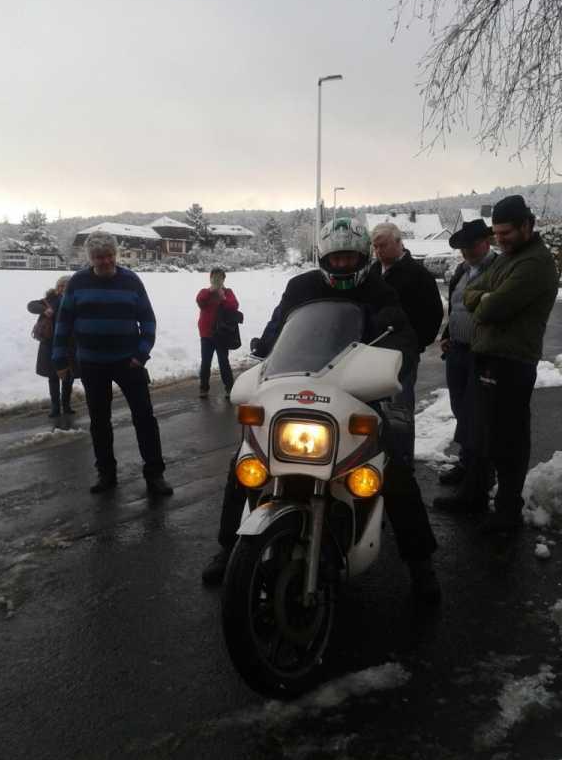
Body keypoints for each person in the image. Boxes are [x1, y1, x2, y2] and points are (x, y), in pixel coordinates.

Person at [201, 217, 440, 603]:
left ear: (362, 257)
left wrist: (396, 360)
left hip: (357, 390)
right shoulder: (302, 287)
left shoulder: (378, 290)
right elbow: (281, 326)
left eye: (349, 258)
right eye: (335, 258)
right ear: (323, 258)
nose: (342, 265)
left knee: (393, 467)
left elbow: (402, 336)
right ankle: (230, 547)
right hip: (300, 386)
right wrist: (265, 345)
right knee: (246, 461)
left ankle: (420, 563)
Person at [52, 231, 173, 497]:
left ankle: (155, 474)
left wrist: (141, 354)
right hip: (92, 364)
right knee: (99, 421)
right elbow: (63, 323)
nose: (105, 261)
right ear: (90, 258)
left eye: (109, 255)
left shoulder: (131, 281)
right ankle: (106, 473)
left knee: (144, 418)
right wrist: (59, 359)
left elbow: (148, 320)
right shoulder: (77, 282)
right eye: (99, 257)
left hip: (129, 363)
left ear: (115, 254)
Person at [463, 195, 558, 533]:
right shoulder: (508, 258)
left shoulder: (535, 263)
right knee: (481, 431)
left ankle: (507, 511)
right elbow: (472, 291)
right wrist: (485, 296)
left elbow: (492, 308)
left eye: (506, 233)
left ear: (527, 225)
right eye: (497, 233)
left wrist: (486, 299)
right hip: (489, 356)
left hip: (512, 362)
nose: (499, 240)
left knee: (508, 439)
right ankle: (474, 495)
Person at [433, 220, 498, 512]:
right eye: (462, 247)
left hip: (482, 353)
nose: (466, 252)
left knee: (477, 417)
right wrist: (448, 335)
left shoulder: (498, 268)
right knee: (461, 410)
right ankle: (465, 463)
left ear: (486, 242)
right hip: (458, 351)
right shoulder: (461, 270)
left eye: (471, 246)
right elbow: (455, 307)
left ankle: (479, 479)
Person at [370, 223, 444, 462]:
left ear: (398, 242)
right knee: (371, 412)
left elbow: (433, 315)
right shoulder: (372, 272)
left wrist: (415, 344)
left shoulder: (418, 275)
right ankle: (375, 461)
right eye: (375, 246)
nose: (378, 251)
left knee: (400, 413)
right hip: (370, 356)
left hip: (402, 357)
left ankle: (402, 466)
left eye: (383, 245)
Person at [27, 276, 75, 418]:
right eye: (61, 286)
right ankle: (55, 407)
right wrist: (44, 309)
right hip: (49, 344)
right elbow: (31, 306)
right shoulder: (49, 300)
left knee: (68, 376)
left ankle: (66, 405)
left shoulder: (74, 300)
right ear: (57, 287)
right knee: (53, 377)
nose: (63, 288)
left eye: (66, 286)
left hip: (69, 344)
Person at [196, 268, 239, 399]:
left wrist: (223, 297)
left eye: (219, 277)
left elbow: (234, 306)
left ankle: (229, 388)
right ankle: (203, 388)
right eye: (214, 277)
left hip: (222, 334)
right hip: (206, 334)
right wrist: (211, 291)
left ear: (223, 279)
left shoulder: (228, 292)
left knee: (223, 361)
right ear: (210, 279)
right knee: (205, 362)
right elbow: (200, 300)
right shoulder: (205, 292)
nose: (216, 280)